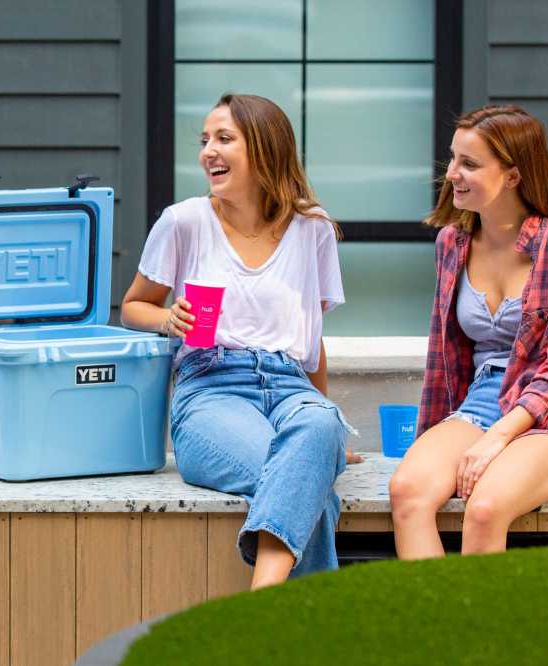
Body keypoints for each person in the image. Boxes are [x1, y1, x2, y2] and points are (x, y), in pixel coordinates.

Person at [121, 93, 357, 589]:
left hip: (291, 387)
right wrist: (169, 318)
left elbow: (312, 338)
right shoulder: (184, 221)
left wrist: (328, 427)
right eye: (205, 140)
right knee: (305, 482)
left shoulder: (312, 228)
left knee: (318, 427)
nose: (208, 151)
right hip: (211, 388)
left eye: (224, 138)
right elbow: (133, 306)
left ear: (265, 148)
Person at [388, 105, 548, 558]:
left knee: (485, 507)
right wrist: (435, 436)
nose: (452, 173)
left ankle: (480, 609)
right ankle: (434, 608)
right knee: (407, 492)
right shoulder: (453, 243)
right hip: (479, 403)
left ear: (512, 175)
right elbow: (443, 357)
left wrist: (499, 437)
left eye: (469, 163)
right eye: (453, 158)